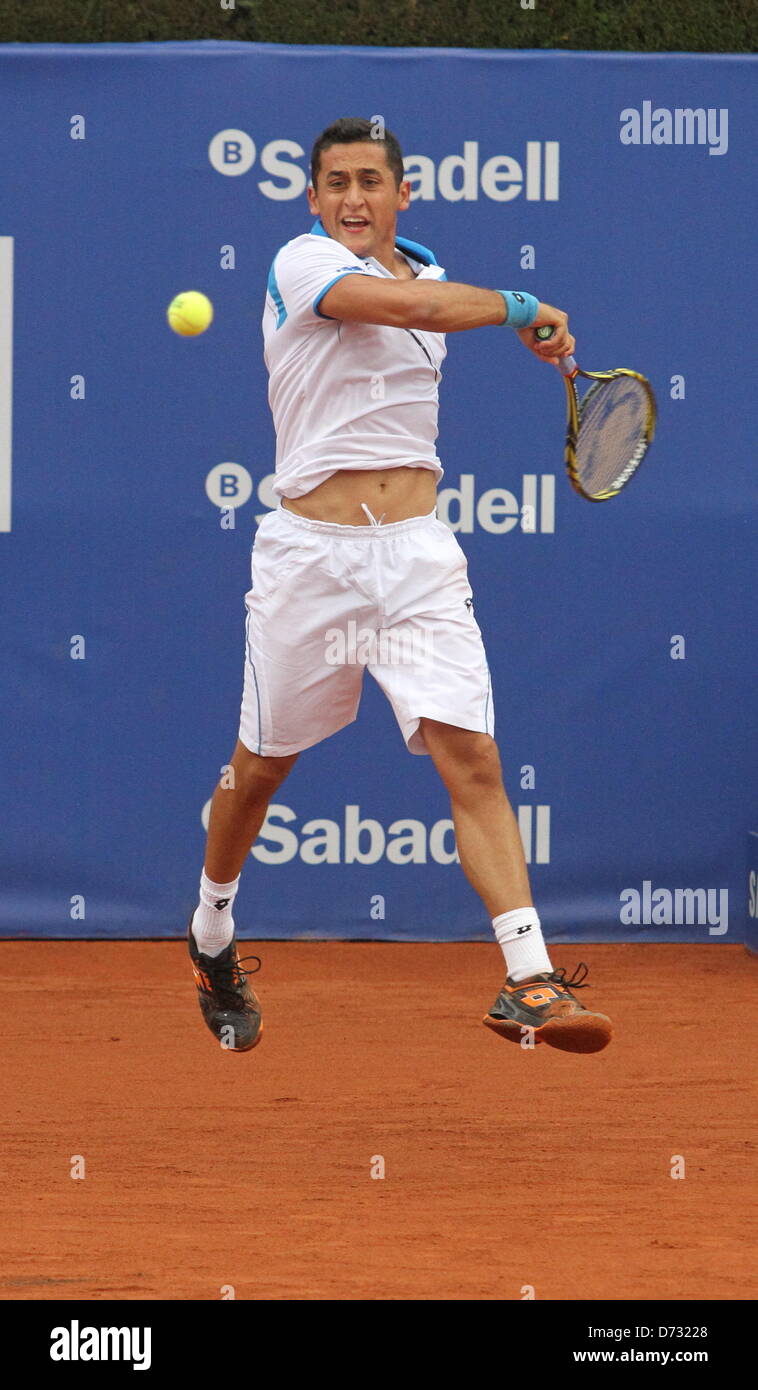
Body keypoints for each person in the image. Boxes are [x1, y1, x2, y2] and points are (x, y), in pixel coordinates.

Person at [187, 117, 612, 1056]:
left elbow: (424, 305)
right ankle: (212, 930)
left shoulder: (429, 278)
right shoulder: (301, 264)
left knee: (476, 759)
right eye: (334, 181)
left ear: (402, 195)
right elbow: (411, 312)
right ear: (311, 197)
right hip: (310, 559)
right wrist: (519, 304)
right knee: (259, 771)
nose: (351, 198)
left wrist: (510, 319)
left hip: (419, 556)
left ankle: (529, 979)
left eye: (370, 181)